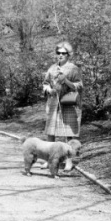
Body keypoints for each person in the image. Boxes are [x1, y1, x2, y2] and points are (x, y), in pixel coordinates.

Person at [42, 41, 83, 171]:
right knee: (51, 133)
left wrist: (66, 80)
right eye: (58, 53)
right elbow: (45, 83)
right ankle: (50, 160)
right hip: (54, 103)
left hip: (68, 103)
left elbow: (79, 85)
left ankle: (69, 162)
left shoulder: (74, 68)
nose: (60, 55)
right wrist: (48, 89)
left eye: (63, 53)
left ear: (68, 54)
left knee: (69, 135)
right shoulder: (52, 68)